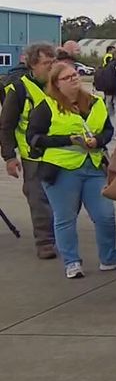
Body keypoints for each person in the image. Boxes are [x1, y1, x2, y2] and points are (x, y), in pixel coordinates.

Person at [25, 61, 116, 279]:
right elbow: (34, 138)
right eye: (67, 78)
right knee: (65, 217)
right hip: (61, 169)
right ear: (56, 83)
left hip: (93, 165)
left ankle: (109, 258)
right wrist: (67, 140)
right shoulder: (46, 106)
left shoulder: (95, 103)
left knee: (105, 214)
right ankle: (72, 262)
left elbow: (108, 130)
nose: (74, 79)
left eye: (75, 75)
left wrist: (98, 140)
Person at [0, 42, 58, 259]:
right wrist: (9, 157)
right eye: (46, 63)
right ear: (32, 65)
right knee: (37, 198)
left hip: (60, 152)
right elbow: (6, 125)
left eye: (53, 62)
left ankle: (59, 235)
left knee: (62, 198)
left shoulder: (59, 84)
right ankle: (45, 242)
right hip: (33, 154)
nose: (51, 67)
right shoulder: (19, 89)